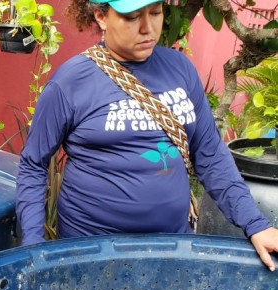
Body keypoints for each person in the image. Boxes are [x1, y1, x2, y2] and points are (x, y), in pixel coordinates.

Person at [16, 0, 278, 270]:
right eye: (131, 17)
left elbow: (209, 154)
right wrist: (34, 246)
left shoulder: (180, 69)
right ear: (101, 17)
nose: (147, 28)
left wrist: (255, 224)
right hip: (92, 255)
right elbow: (33, 164)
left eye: (155, 13)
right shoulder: (71, 82)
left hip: (171, 248)